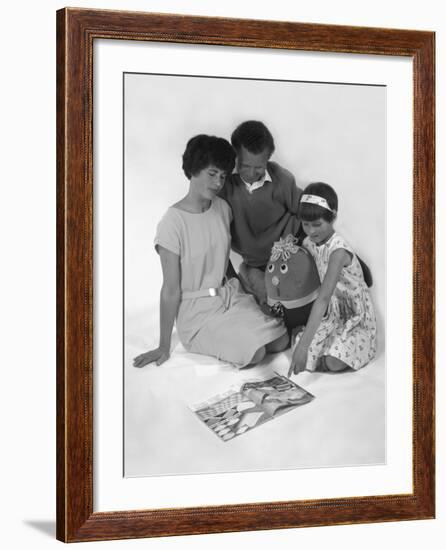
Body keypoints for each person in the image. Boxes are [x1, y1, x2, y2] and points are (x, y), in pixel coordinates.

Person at [133, 134, 289, 369]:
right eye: (212, 174)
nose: (218, 182)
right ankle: (226, 336)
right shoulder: (172, 223)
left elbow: (222, 261)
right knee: (255, 354)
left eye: (223, 176)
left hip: (230, 297)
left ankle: (243, 326)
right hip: (197, 313)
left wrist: (249, 294)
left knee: (281, 341)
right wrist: (163, 345)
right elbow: (170, 289)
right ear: (194, 170)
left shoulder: (222, 209)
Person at [288, 182, 377, 376]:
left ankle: (335, 351)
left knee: (333, 362)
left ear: (333, 216)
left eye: (317, 224)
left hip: (355, 317)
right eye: (306, 224)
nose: (311, 231)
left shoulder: (338, 252)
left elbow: (323, 298)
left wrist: (304, 347)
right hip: (332, 314)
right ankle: (322, 347)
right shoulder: (308, 243)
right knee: (301, 353)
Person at [219, 120, 303, 305]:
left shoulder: (281, 178)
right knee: (271, 302)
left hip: (292, 247)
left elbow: (307, 212)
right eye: (244, 165)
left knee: (302, 290)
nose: (250, 173)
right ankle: (251, 277)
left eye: (258, 167)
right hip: (257, 264)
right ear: (235, 157)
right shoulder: (223, 187)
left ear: (268, 160)